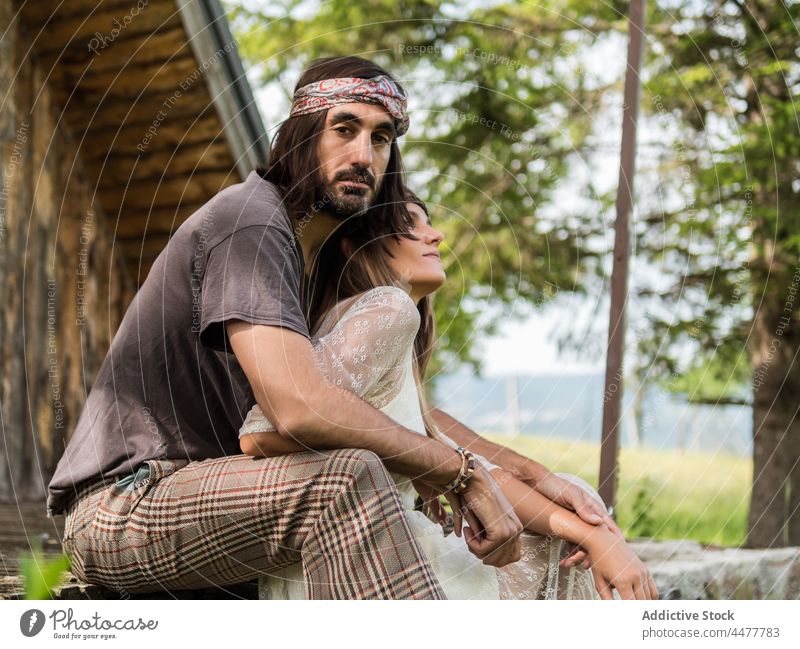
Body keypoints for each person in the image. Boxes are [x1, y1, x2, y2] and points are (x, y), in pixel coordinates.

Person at [48, 55, 525, 599]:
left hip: (228, 503)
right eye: (343, 129)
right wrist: (455, 472)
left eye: (382, 138)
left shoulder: (315, 260)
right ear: (300, 135)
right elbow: (299, 406)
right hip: (124, 508)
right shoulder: (251, 220)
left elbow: (391, 415)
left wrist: (547, 493)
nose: (363, 155)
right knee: (347, 478)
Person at [239, 194, 660, 600]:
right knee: (561, 543)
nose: (435, 235)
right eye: (409, 226)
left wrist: (579, 517)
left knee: (568, 502)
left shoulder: (373, 326)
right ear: (355, 248)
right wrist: (589, 535)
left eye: (428, 223)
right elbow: (263, 431)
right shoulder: (387, 309)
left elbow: (472, 461)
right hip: (366, 565)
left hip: (348, 559)